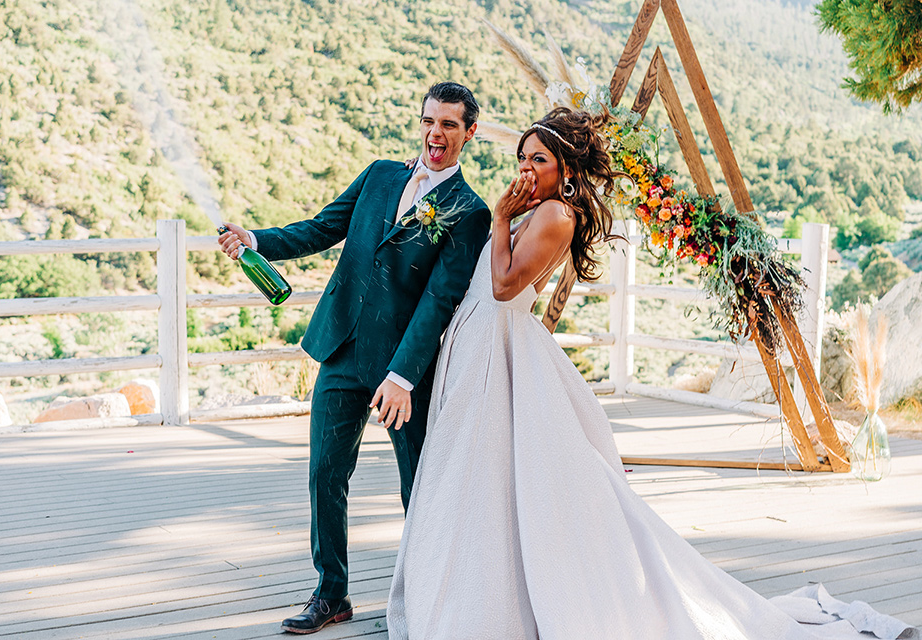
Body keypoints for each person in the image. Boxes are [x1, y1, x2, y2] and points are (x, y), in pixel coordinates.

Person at [385, 107, 915, 639]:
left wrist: (500, 218)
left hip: (497, 347)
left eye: (539, 159)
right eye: (522, 157)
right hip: (484, 347)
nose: (526, 168)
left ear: (566, 169)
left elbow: (504, 288)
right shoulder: (540, 210)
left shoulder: (554, 216)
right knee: (483, 479)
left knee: (497, 475)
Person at [218, 82, 491, 635]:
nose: (435, 134)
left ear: (469, 133)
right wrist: (256, 240)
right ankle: (331, 594)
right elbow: (322, 228)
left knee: (418, 486)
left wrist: (402, 376)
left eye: (449, 125)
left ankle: (425, 595)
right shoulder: (378, 175)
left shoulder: (470, 211)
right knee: (324, 474)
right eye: (429, 122)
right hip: (341, 346)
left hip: (405, 372)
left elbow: (440, 299)